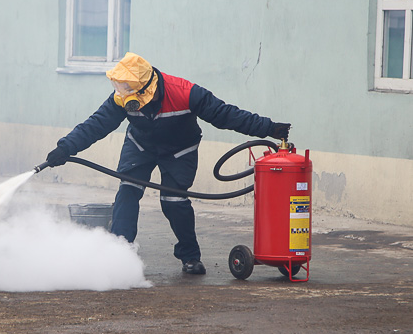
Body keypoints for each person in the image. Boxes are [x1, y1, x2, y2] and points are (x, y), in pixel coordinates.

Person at [44, 53, 290, 275]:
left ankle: (190, 256)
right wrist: (65, 148)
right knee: (128, 192)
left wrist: (268, 128)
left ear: (145, 90)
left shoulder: (186, 93)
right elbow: (94, 125)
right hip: (140, 146)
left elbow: (227, 115)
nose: (121, 93)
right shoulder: (122, 98)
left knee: (174, 202)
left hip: (180, 150)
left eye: (126, 89)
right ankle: (118, 256)